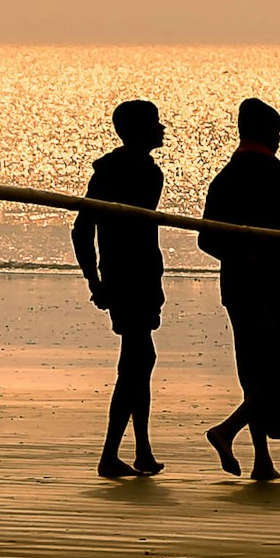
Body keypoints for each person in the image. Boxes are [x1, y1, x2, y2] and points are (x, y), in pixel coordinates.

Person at [198, 97, 280, 482]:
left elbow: (206, 239)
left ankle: (262, 459)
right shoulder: (275, 173)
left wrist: (239, 256)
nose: (279, 140)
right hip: (271, 288)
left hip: (237, 289)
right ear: (266, 133)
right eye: (277, 133)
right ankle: (227, 431)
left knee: (254, 374)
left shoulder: (225, 177)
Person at [72, 99, 169, 479]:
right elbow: (84, 227)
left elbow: (87, 228)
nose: (163, 128)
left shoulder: (143, 170)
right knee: (135, 364)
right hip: (129, 277)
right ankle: (110, 453)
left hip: (140, 275)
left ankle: (142, 449)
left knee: (140, 362)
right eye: (155, 123)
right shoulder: (125, 171)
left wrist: (97, 277)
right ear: (140, 130)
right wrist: (94, 279)